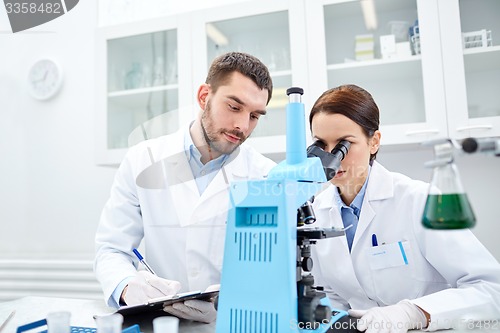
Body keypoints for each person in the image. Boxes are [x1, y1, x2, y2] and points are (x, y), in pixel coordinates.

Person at [94, 52, 275, 323]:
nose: (242, 126)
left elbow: (272, 272)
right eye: (234, 107)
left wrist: (230, 304)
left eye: (254, 116)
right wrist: (128, 287)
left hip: (231, 323)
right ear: (204, 97)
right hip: (158, 322)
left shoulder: (266, 177)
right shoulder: (143, 159)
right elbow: (112, 248)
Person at [308, 84, 500, 332]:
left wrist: (413, 314)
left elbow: (491, 289)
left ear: (374, 141)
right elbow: (330, 298)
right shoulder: (316, 213)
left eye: (344, 144)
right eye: (321, 145)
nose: (332, 158)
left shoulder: (420, 200)